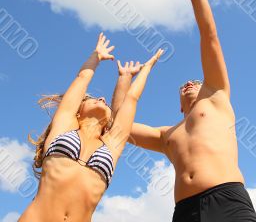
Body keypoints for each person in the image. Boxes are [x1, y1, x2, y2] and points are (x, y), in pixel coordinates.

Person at [112, 0, 256, 222]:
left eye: (196, 81)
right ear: (180, 105)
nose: (189, 84)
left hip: (227, 200)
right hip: (185, 211)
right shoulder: (165, 136)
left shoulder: (216, 96)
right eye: (183, 86)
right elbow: (119, 124)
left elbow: (209, 36)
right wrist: (124, 79)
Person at [19, 32, 163, 222]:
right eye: (94, 98)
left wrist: (143, 70)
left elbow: (131, 99)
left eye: (103, 100)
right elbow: (81, 78)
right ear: (78, 110)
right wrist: (96, 56)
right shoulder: (64, 126)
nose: (102, 99)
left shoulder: (112, 144)